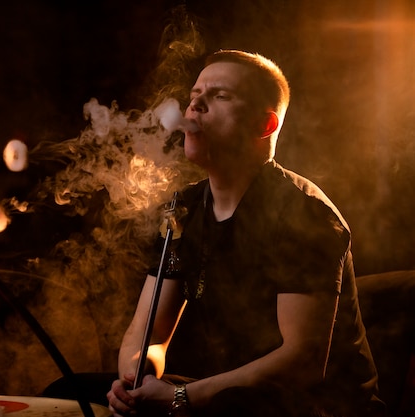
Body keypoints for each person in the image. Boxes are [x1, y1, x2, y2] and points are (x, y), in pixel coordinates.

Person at [106, 50, 386, 417]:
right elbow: (149, 336)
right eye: (194, 96)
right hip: (222, 398)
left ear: (265, 125)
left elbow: (301, 361)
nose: (195, 107)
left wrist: (180, 398)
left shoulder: (304, 214)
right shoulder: (183, 211)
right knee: (66, 391)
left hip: (313, 409)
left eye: (219, 96)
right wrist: (135, 378)